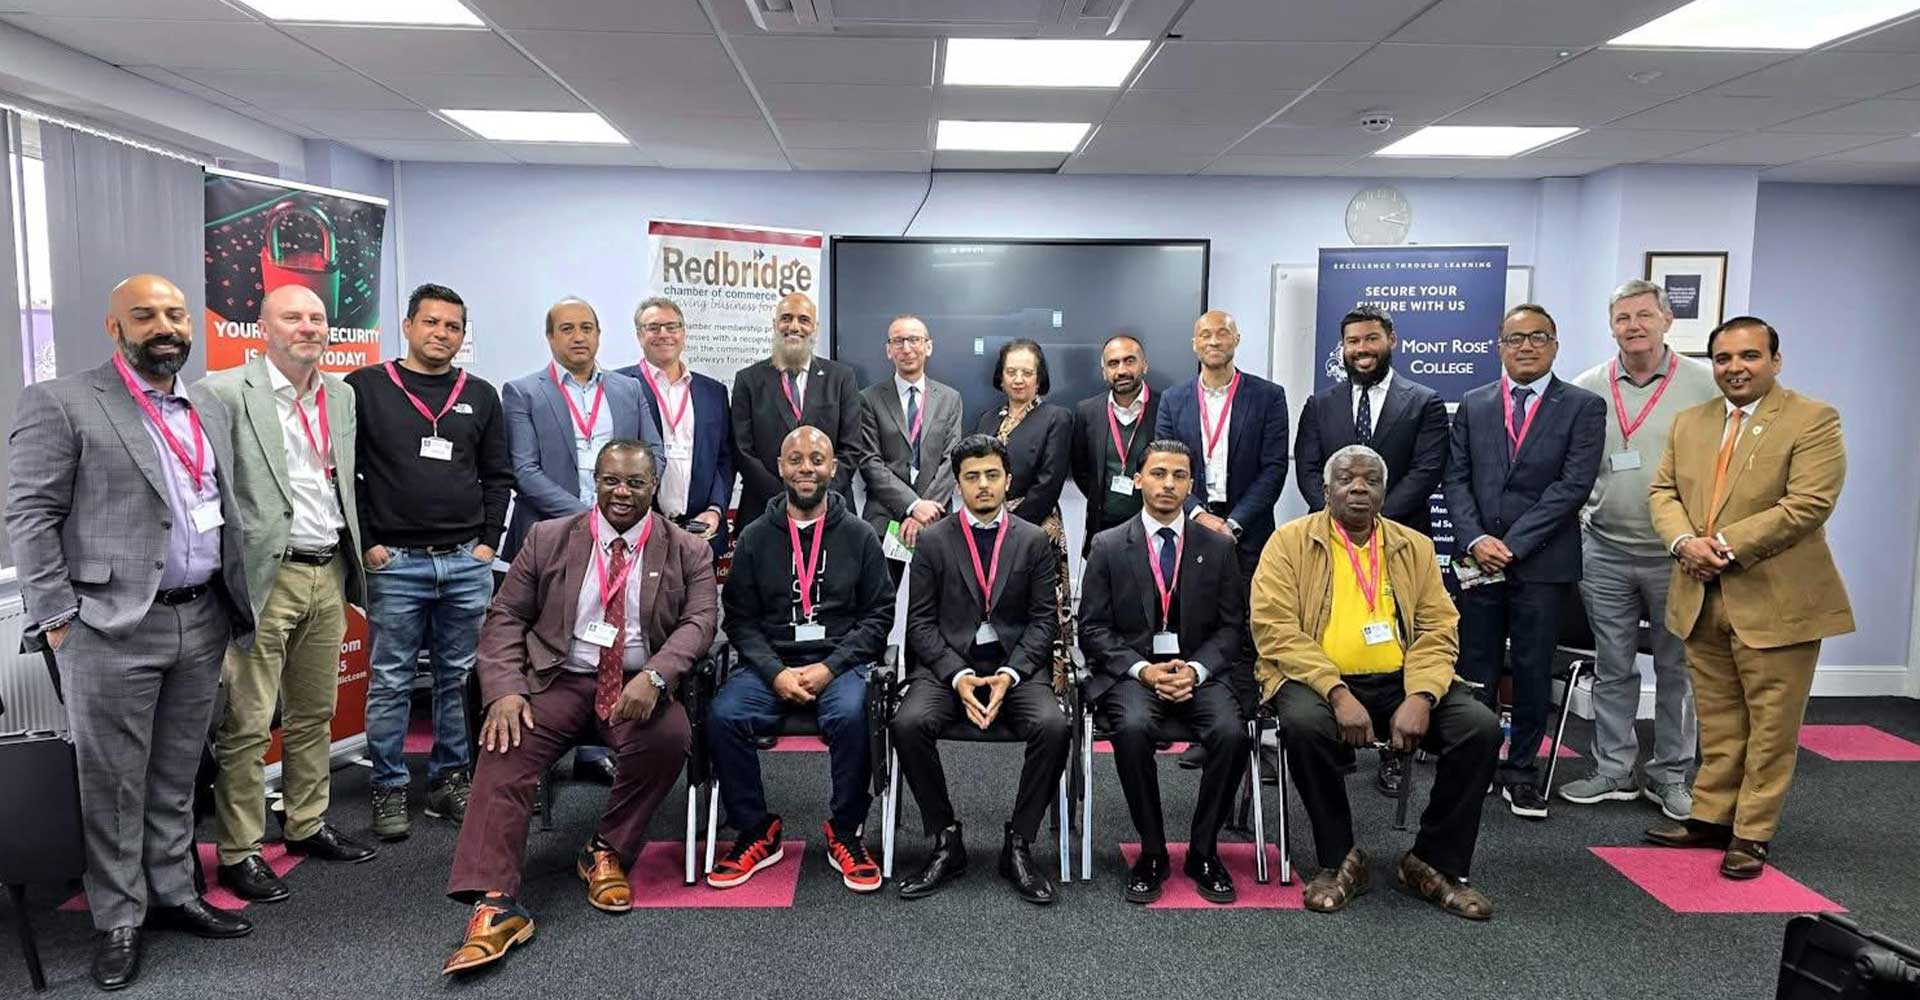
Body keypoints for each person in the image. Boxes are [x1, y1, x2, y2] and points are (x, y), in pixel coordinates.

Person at [7, 274, 256, 990]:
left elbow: (218, 503)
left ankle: (175, 893)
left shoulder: (205, 401)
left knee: (178, 775)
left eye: (175, 313)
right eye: (144, 315)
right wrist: (58, 621)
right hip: (110, 624)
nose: (164, 326)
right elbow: (30, 516)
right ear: (114, 328)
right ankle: (118, 916)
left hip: (199, 615)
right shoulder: (62, 402)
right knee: (113, 781)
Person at [441, 441, 718, 974]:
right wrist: (503, 690)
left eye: (635, 483)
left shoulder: (687, 549)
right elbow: (504, 618)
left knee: (667, 738)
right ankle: (495, 902)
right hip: (557, 677)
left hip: (637, 681)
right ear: (596, 480)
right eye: (611, 480)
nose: (622, 492)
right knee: (507, 742)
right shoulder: (549, 538)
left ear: (653, 486)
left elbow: (700, 623)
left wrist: (658, 675)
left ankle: (605, 848)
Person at [1254, 445, 1502, 921]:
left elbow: (1438, 627)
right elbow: (1274, 629)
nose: (1359, 488)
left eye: (1370, 481)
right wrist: (1337, 692)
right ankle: (1339, 858)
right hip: (1315, 678)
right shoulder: (1288, 542)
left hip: (1401, 680)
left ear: (1385, 493)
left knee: (1480, 727)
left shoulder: (1415, 546)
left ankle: (1433, 861)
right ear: (1326, 490)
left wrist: (1422, 694)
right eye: (1347, 479)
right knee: (1304, 724)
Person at [1644, 317, 1852, 879]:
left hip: (1776, 601)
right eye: (1723, 358)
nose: (1735, 368)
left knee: (1771, 725)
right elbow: (1662, 491)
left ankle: (1752, 831)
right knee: (1717, 717)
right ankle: (1711, 816)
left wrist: (1726, 546)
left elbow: (1808, 503)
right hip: (1700, 594)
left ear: (1775, 361)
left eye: (1749, 356)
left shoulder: (1813, 420)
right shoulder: (1692, 422)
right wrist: (1686, 542)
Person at [193, 284, 376, 906]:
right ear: (262, 327)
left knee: (314, 711)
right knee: (247, 722)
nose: (308, 327)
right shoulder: (222, 393)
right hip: (262, 578)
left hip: (328, 571)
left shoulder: (341, 395)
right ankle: (241, 851)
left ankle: (306, 822)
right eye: (292, 317)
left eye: (318, 318)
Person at [345, 283, 513, 840]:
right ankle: (389, 784)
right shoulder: (365, 388)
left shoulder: (481, 395)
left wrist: (488, 543)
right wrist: (368, 542)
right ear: (408, 325)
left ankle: (448, 779)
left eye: (453, 327)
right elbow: (346, 474)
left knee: (457, 677)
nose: (442, 334)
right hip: (395, 562)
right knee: (391, 681)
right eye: (432, 323)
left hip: (466, 560)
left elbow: (498, 475)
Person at [706, 426, 895, 893]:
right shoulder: (753, 538)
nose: (806, 468)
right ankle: (755, 829)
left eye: (816, 459)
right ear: (780, 467)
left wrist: (830, 667)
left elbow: (879, 616)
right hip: (771, 664)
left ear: (833, 468)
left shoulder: (861, 536)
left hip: (841, 664)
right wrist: (774, 672)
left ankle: (845, 831)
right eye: (795, 459)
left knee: (854, 713)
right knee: (723, 715)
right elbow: (740, 620)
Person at [1561, 280, 1720, 820]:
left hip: (1677, 555)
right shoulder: (1587, 388)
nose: (1633, 326)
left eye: (1644, 315)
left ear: (1666, 321)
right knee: (1613, 665)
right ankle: (1613, 768)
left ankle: (1671, 775)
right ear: (1611, 327)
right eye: (1623, 317)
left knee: (1679, 669)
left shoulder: (1706, 386)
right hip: (1603, 549)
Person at [1442, 304, 1605, 821]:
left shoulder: (1583, 406)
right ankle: (1475, 762)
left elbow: (1573, 486)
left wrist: (1510, 543)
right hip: (1478, 561)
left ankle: (1521, 773)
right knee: (1476, 667)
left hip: (1541, 563)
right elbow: (1456, 479)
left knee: (1534, 671)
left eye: (1538, 337)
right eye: (1514, 338)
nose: (1526, 346)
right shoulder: (1474, 403)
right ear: (1499, 347)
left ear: (1555, 345)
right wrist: (1474, 538)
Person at [894, 434, 1070, 905]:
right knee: (907, 723)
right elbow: (921, 624)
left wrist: (1010, 675)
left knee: (1053, 726)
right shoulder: (933, 540)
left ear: (1008, 480)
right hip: (948, 667)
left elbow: (1042, 621)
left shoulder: (1033, 540)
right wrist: (959, 676)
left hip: (1015, 666)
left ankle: (1020, 842)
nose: (984, 485)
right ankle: (946, 839)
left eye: (993, 475)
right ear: (958, 485)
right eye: (972, 477)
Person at [500, 297, 663, 784]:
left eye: (587, 327)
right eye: (566, 328)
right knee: (559, 639)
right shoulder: (523, 392)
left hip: (623, 539)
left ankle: (597, 748)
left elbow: (652, 454)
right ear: (550, 338)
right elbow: (524, 471)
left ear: (599, 334)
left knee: (610, 631)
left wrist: (623, 509)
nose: (578, 337)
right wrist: (591, 518)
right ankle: (541, 747)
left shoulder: (629, 389)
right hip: (558, 537)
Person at [1078, 439, 1246, 904]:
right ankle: (1151, 851)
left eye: (1178, 476)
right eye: (1158, 474)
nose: (1168, 484)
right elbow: (1092, 629)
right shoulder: (1108, 545)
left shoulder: (1217, 546)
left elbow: (1233, 628)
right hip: (1134, 674)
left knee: (1232, 733)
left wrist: (1194, 669)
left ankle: (1203, 850)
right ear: (1138, 480)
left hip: (1199, 672)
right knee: (1130, 728)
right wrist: (1143, 672)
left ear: (1192, 484)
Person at [1292, 305, 1450, 797]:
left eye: (1370, 339)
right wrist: (1341, 517)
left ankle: (1396, 755)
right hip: (1333, 543)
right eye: (1353, 342)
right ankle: (1336, 742)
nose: (1361, 349)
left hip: (1397, 544)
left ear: (1391, 340)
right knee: (1330, 630)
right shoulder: (1321, 404)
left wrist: (1376, 520)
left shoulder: (1424, 401)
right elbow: (1309, 466)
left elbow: (1427, 470)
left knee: (1396, 646)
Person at [1154, 309, 1290, 712]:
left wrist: (1233, 523)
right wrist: (1198, 515)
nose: (1213, 341)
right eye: (1205, 335)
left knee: (1249, 628)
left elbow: (1274, 468)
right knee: (1197, 626)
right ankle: (1204, 722)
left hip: (1248, 531)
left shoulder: (1268, 396)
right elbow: (1166, 466)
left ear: (1236, 339)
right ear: (1194, 344)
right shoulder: (1174, 399)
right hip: (1191, 528)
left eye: (1222, 334)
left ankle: (1249, 723)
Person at [975, 339, 1076, 691]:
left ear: (1039, 378)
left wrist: (1012, 528)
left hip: (1036, 528)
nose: (1018, 379)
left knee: (1042, 607)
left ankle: (1048, 686)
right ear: (1001, 377)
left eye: (1027, 372)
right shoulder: (988, 418)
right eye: (1011, 371)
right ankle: (996, 677)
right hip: (986, 526)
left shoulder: (1056, 418)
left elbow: (1049, 483)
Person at [729, 292, 862, 536]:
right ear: (774, 325)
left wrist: (818, 496)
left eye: (803, 319)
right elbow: (742, 450)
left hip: (831, 512)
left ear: (815, 328)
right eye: (786, 318)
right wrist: (786, 499)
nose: (794, 326)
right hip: (764, 512)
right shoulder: (748, 380)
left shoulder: (841, 378)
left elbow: (851, 447)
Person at [617, 296, 733, 557]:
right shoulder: (619, 385)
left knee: (699, 599)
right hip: (638, 533)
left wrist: (715, 510)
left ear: (683, 333)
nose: (664, 334)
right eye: (653, 327)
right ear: (639, 335)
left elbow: (724, 460)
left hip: (701, 533)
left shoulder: (712, 392)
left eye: (672, 326)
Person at [854, 314, 963, 578]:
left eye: (914, 340)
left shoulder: (950, 398)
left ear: (928, 346)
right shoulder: (868, 399)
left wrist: (925, 510)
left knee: (938, 606)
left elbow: (952, 461)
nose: (907, 348)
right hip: (886, 519)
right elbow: (870, 462)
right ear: (888, 350)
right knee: (880, 605)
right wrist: (913, 506)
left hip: (936, 518)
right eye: (899, 341)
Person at [1071, 334, 1164, 556]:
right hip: (1103, 529)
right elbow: (1081, 470)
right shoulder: (1087, 412)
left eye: (1129, 360)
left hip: (1154, 527)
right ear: (1104, 372)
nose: (1121, 370)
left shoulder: (1165, 407)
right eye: (1113, 363)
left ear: (1145, 365)